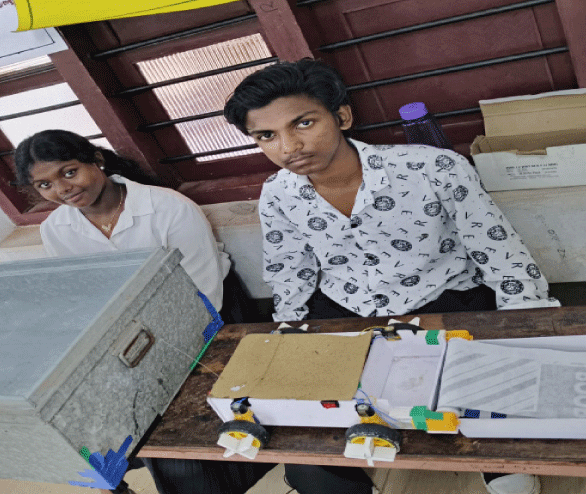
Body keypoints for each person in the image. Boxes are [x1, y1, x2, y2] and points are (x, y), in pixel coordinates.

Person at [224, 59, 556, 494]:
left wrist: (527, 328)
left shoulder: (434, 167)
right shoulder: (277, 193)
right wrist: (289, 339)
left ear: (342, 117)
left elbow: (499, 251)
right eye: (266, 136)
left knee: (484, 401)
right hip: (345, 310)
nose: (288, 147)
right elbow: (290, 271)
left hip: (445, 299)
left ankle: (497, 458)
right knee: (311, 449)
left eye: (303, 123)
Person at [14, 129, 273, 494]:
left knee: (173, 416)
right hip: (128, 332)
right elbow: (84, 297)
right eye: (45, 185)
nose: (62, 189)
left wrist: (148, 357)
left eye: (69, 172)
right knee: (100, 412)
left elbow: (203, 292)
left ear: (96, 161)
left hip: (211, 319)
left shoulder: (168, 207)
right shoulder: (56, 228)